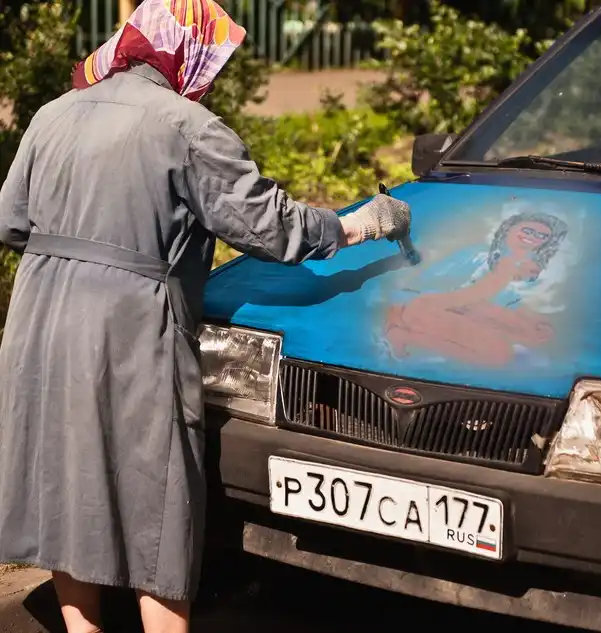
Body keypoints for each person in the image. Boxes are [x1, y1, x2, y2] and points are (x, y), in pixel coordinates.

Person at [0, 1, 411, 632]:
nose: (213, 78)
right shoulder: (186, 127)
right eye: (213, 62)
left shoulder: (53, 113)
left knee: (66, 477)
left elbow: (11, 222)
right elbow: (269, 227)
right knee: (158, 492)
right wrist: (358, 224)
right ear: (186, 52)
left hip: (38, 319)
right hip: (128, 326)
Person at [384, 212, 564, 366]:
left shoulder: (531, 272)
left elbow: (510, 307)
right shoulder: (477, 257)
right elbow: (425, 286)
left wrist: (533, 326)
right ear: (508, 230)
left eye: (542, 236)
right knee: (499, 354)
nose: (534, 237)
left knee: (506, 349)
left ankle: (405, 336)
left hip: (470, 315)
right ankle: (404, 336)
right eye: (528, 230)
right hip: (429, 308)